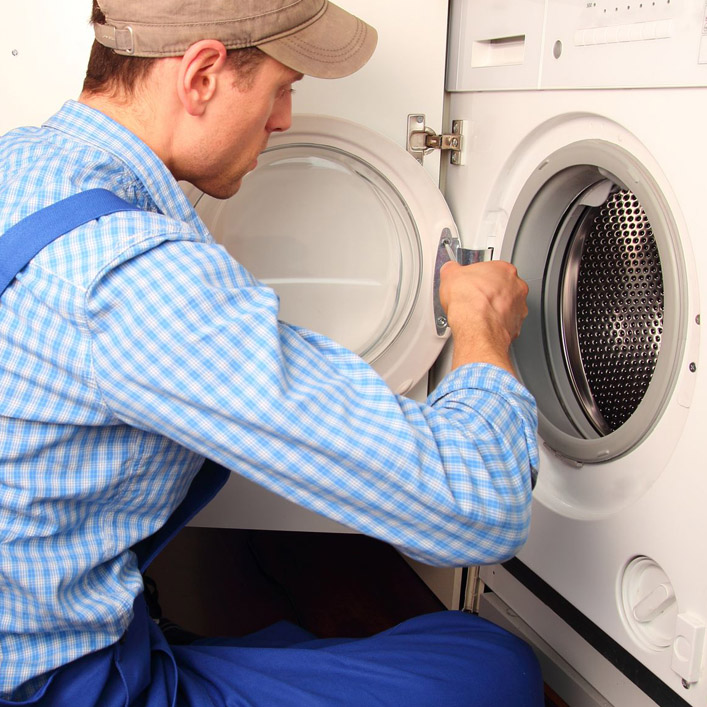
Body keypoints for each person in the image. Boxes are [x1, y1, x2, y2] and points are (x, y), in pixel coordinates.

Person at [0, 1, 543, 704]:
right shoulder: (136, 277)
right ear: (200, 76)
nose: (284, 117)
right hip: (50, 687)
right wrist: (479, 329)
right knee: (491, 667)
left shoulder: (21, 160)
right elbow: (478, 504)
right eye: (283, 87)